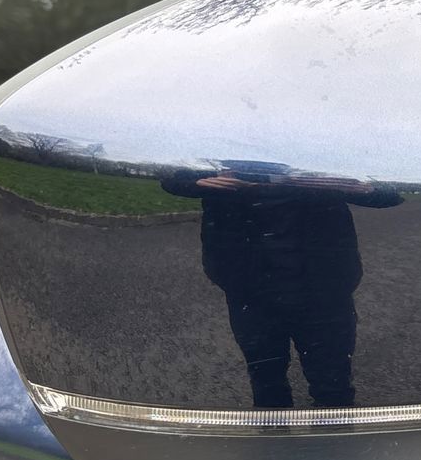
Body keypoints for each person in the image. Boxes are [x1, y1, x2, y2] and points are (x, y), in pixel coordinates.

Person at [163, 163, 402, 408]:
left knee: (333, 386)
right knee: (266, 383)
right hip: (249, 285)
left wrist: (354, 186)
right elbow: (171, 177)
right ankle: (274, 430)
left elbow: (391, 193)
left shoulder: (324, 153)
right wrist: (202, 182)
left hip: (323, 286)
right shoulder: (224, 151)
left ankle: (334, 430)